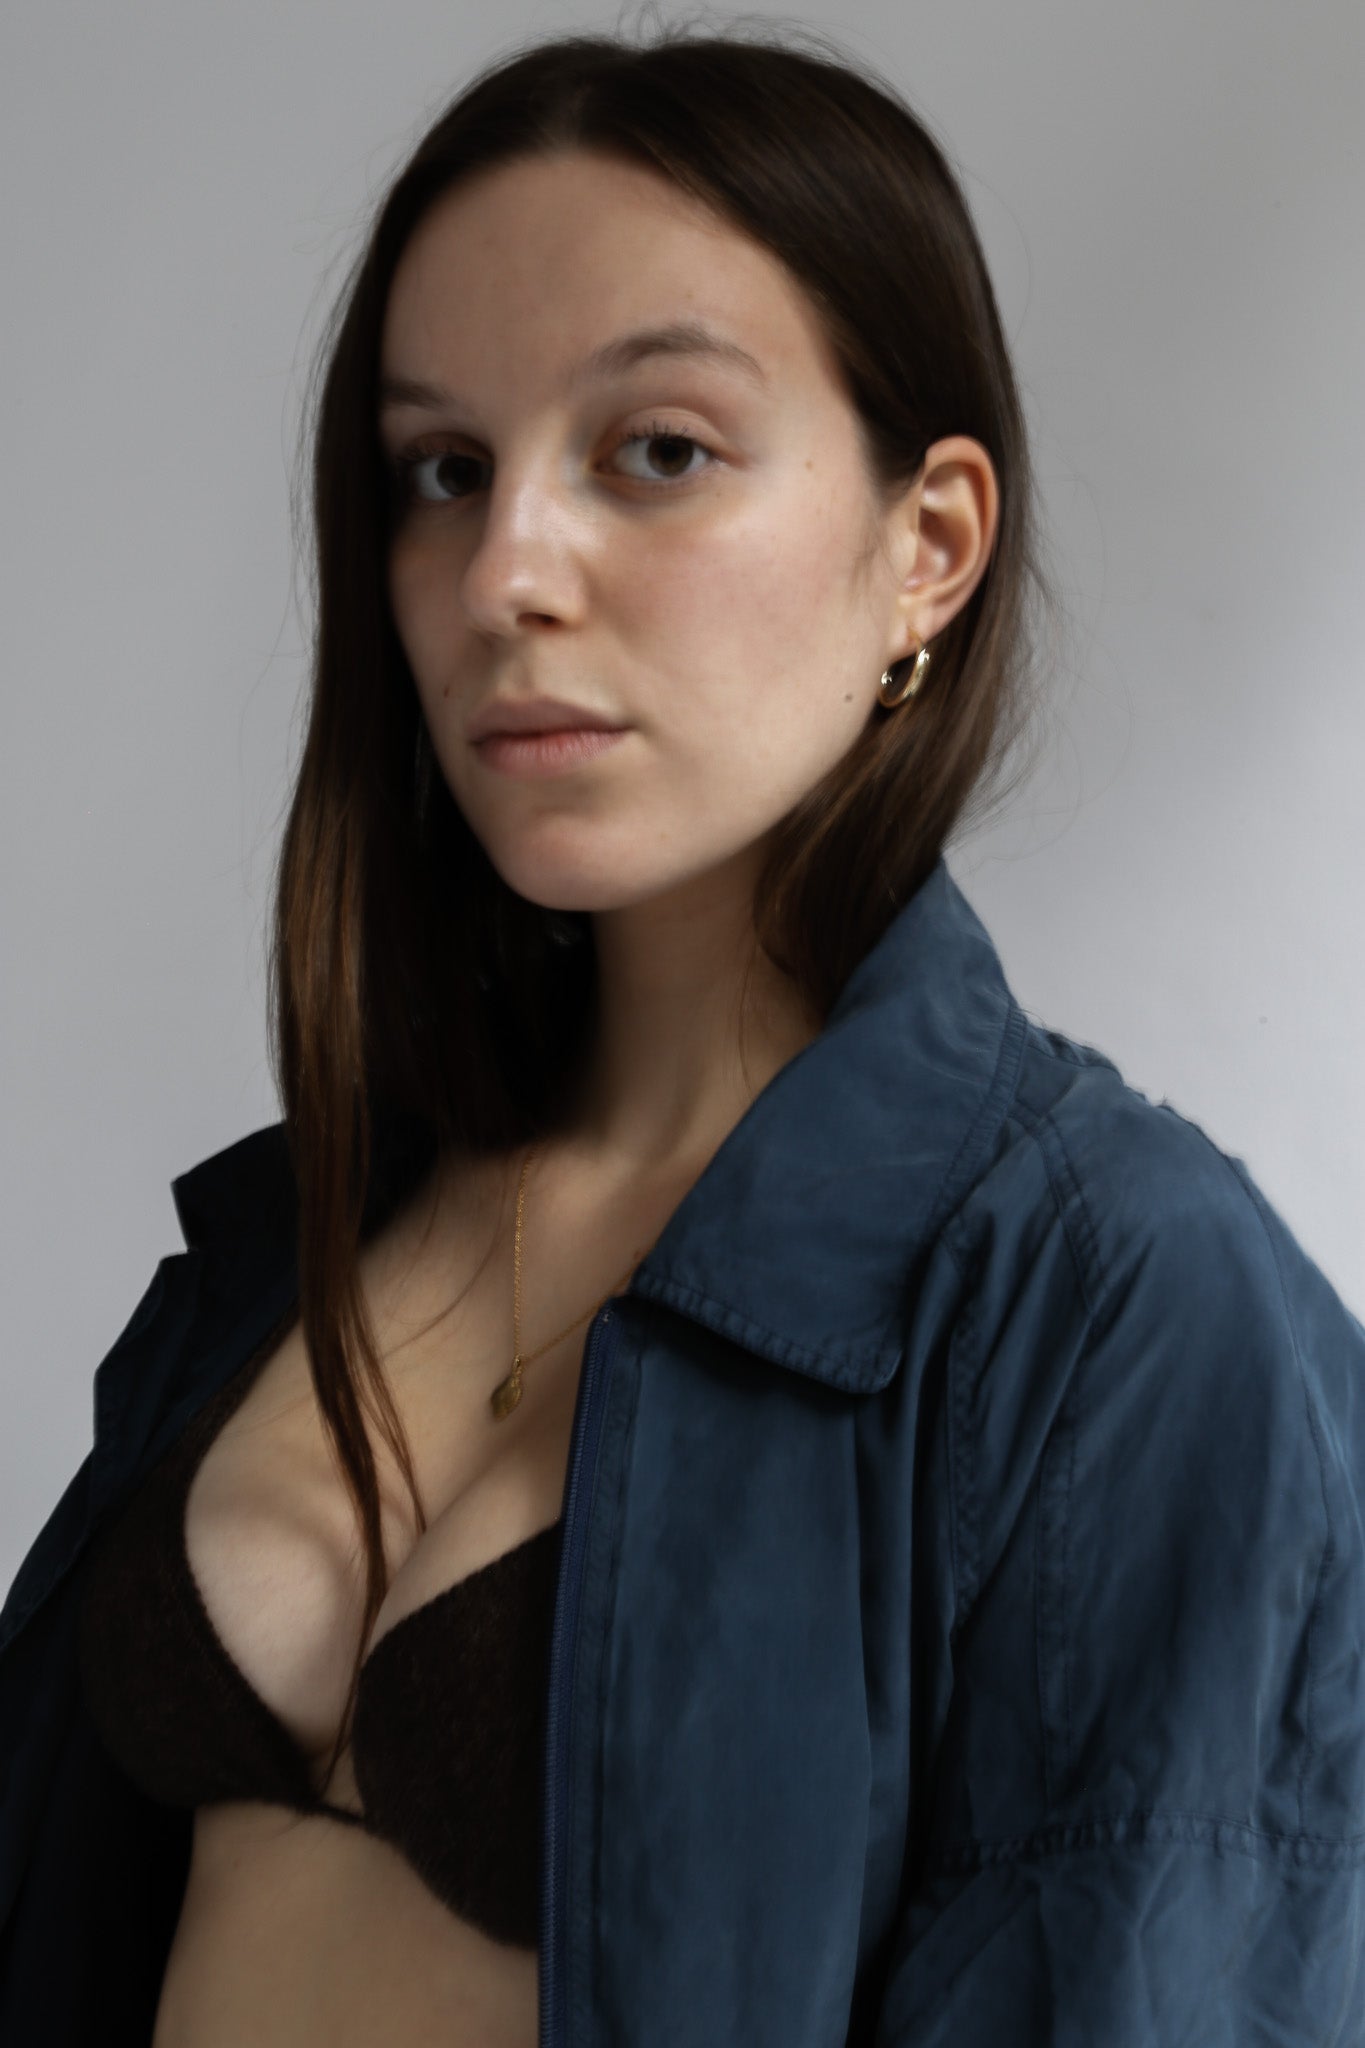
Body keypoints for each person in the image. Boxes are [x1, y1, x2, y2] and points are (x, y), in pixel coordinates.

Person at [3, 18, 1363, 2048]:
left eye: (656, 449)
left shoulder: (1116, 1313)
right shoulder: (275, 1247)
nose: (501, 572)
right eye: (439, 471)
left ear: (928, 547)